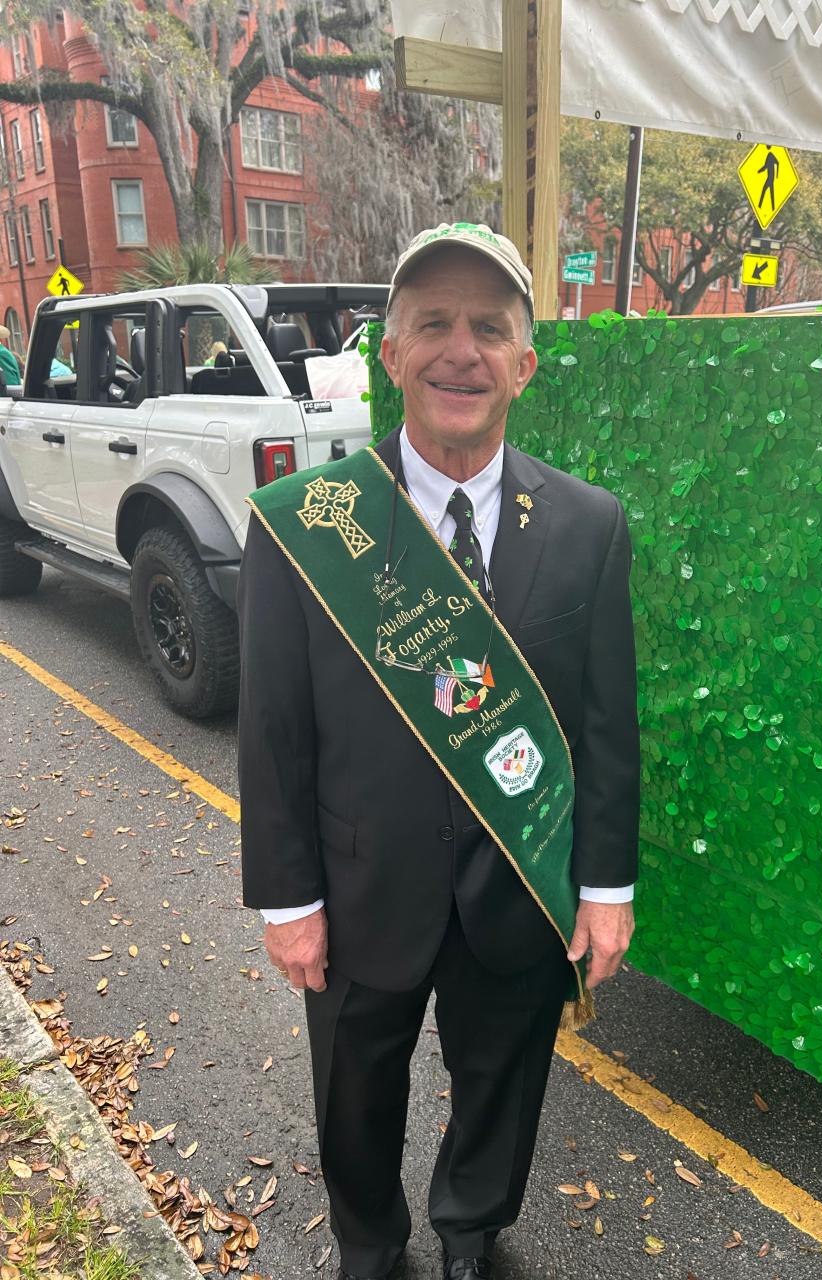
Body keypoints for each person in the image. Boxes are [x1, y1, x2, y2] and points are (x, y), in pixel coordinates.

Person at [238, 222, 640, 1280]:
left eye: (489, 327)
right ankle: (371, 1243)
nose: (462, 349)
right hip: (360, 882)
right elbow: (273, 727)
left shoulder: (591, 527)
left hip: (517, 879)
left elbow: (606, 723)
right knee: (355, 1090)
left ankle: (471, 1232)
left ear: (524, 362)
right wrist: (287, 900)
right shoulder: (304, 525)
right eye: (434, 324)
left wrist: (604, 886)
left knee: (503, 1074)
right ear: (392, 350)